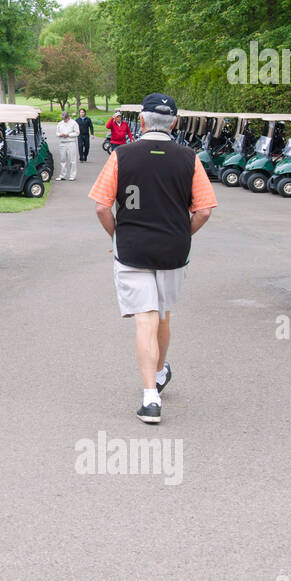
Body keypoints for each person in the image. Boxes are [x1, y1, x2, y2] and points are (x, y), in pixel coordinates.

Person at [88, 93, 217, 425]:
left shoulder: (121, 155)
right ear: (174, 123)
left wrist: (117, 235)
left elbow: (102, 205)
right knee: (162, 316)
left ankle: (150, 398)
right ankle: (159, 372)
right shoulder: (190, 158)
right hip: (174, 250)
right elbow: (203, 209)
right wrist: (183, 233)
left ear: (141, 121)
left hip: (132, 249)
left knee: (143, 319)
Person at [55, 109, 79, 180]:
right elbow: (57, 133)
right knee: (62, 160)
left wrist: (69, 135)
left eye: (65, 119)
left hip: (71, 142)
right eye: (63, 119)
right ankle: (62, 175)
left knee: (72, 160)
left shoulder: (74, 123)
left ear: (68, 117)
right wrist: (60, 134)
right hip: (62, 142)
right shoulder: (60, 123)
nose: (64, 120)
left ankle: (72, 175)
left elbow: (77, 132)